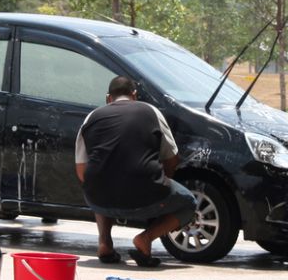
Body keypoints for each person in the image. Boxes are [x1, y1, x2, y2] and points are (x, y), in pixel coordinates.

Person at [74, 76, 197, 268]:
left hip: (99, 200)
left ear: (108, 98)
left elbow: (82, 171)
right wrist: (161, 184)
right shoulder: (150, 112)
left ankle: (104, 243)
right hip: (147, 196)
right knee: (189, 203)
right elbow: (172, 158)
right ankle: (145, 238)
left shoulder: (92, 118)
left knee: (97, 181)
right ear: (134, 95)